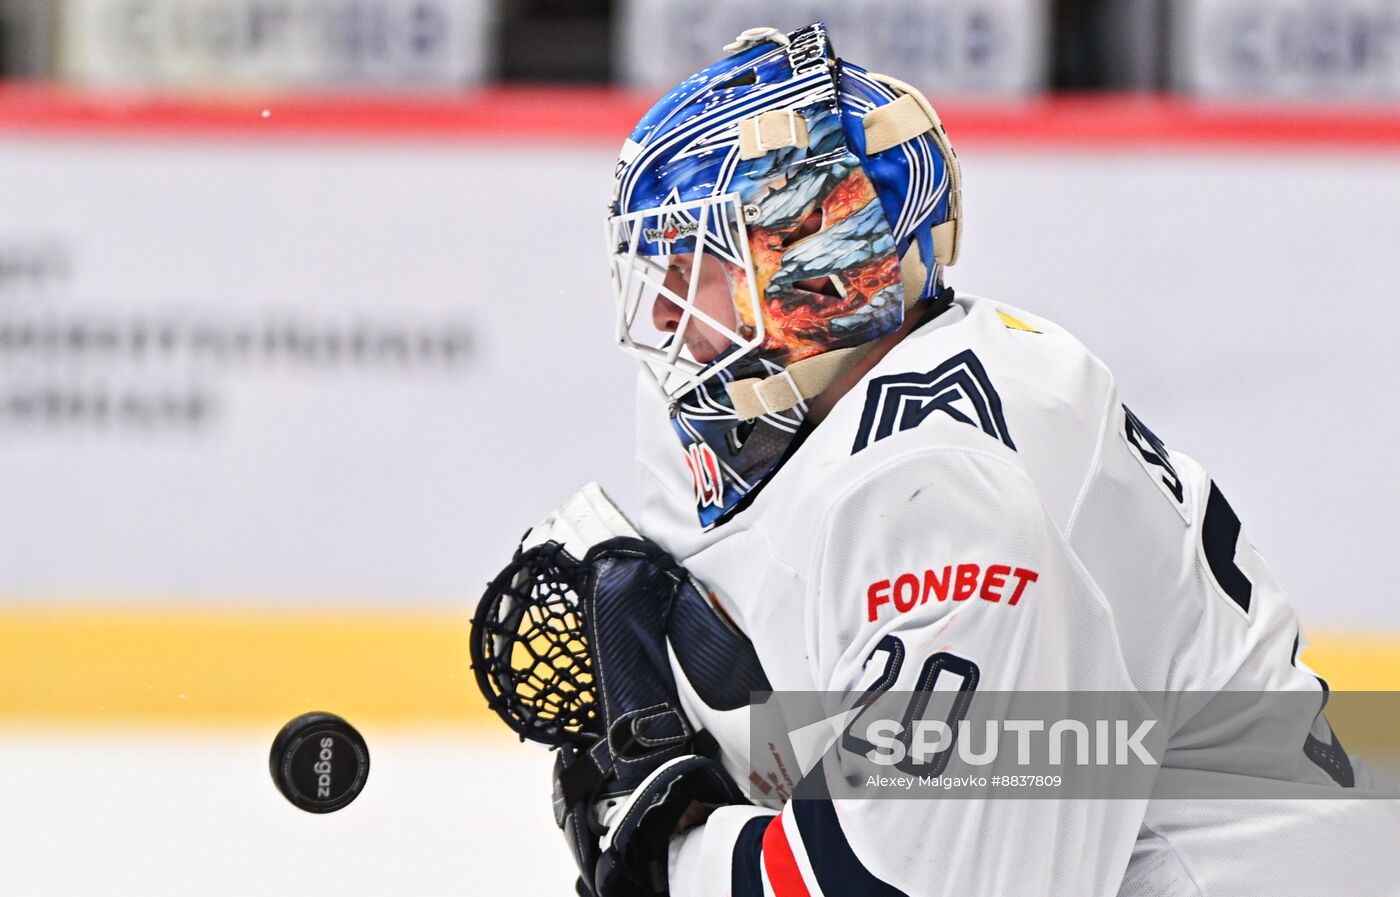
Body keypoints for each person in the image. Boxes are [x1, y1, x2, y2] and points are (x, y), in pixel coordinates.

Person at [523, 22, 1400, 897]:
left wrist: (675, 861)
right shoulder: (873, 395)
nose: (668, 315)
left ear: (818, 275)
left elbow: (909, 881)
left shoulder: (942, 497)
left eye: (697, 264)